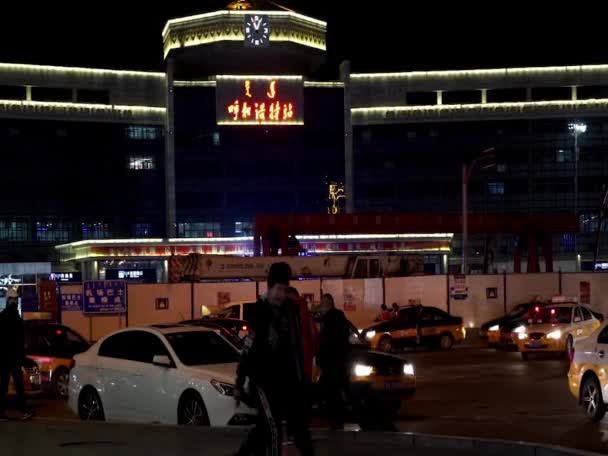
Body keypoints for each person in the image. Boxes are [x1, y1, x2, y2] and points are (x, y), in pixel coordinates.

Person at [235, 263, 314, 456]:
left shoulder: (290, 312)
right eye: (278, 289)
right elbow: (248, 350)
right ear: (269, 288)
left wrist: (301, 378)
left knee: (290, 428)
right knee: (272, 429)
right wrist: (240, 381)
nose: (281, 294)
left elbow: (297, 346)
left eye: (284, 289)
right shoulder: (260, 314)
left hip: (288, 381)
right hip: (264, 382)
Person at [317, 293, 350, 430]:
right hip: (339, 363)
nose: (320, 308)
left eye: (321, 304)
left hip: (331, 364)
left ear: (327, 304)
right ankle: (337, 420)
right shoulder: (339, 317)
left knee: (330, 393)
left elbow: (326, 343)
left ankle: (335, 421)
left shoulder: (329, 320)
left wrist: (320, 358)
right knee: (335, 392)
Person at [0, 288, 33, 421]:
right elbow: (20, 340)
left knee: (3, 385)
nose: (15, 301)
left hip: (4, 357)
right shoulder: (16, 318)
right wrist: (21, 356)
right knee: (18, 385)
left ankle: (1, 412)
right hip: (13, 357)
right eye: (14, 299)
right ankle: (23, 409)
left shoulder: (2, 316)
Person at [286, 287, 318, 382]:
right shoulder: (306, 312)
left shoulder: (286, 311)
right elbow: (314, 334)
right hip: (306, 353)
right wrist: (313, 350)